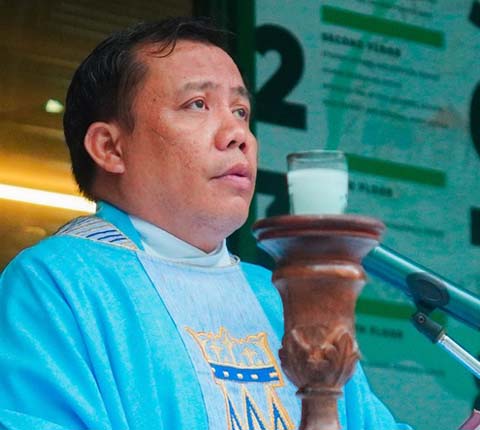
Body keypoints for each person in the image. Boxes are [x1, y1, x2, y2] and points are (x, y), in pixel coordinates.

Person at [0, 17, 411, 430]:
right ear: (110, 148)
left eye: (241, 111)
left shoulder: (283, 296)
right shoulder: (57, 283)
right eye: (197, 104)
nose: (238, 134)